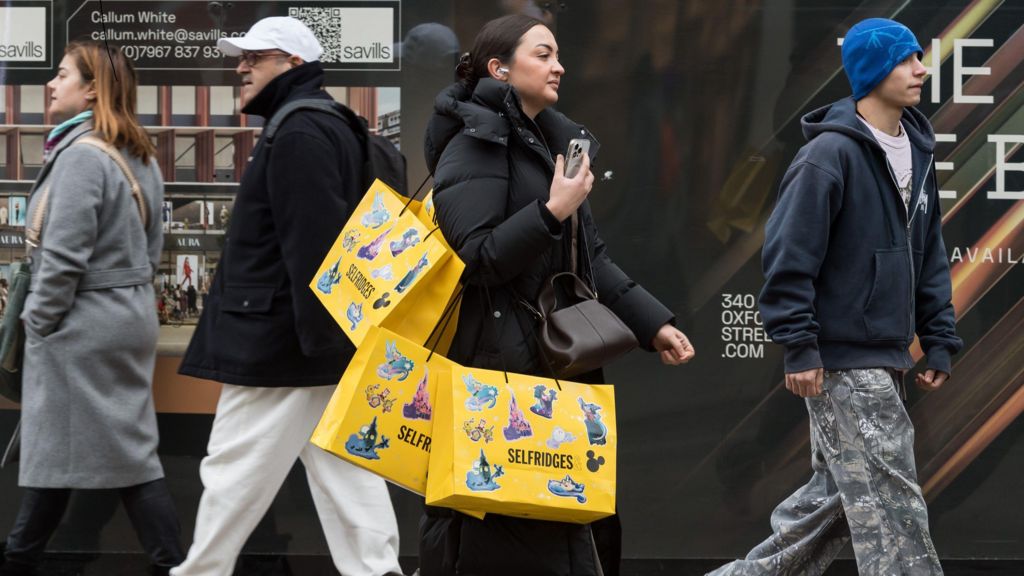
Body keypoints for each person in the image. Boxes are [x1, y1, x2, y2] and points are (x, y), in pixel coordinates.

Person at [421, 15, 695, 576]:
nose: (559, 66)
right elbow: (477, 259)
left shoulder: (549, 146)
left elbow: (588, 261)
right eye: (543, 55)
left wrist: (652, 324)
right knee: (510, 530)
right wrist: (551, 211)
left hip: (553, 370)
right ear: (500, 69)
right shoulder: (472, 149)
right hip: (501, 375)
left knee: (567, 521)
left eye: (558, 55)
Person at [708, 18, 962, 576]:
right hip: (844, 360)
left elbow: (930, 254)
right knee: (897, 512)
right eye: (905, 60)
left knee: (832, 508)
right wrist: (799, 346)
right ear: (873, 71)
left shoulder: (917, 152)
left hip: (886, 354)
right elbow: (789, 258)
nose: (921, 69)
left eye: (919, 58)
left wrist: (938, 338)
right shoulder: (829, 155)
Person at [173, 17, 402, 576]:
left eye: (256, 56)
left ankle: (200, 572)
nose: (241, 66)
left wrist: (323, 343)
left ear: (294, 64)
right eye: (241, 57)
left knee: (232, 469)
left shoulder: (298, 131)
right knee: (350, 479)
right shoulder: (326, 124)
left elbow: (314, 245)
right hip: (313, 341)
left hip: (282, 346)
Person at [0, 42, 183, 575]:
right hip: (124, 318)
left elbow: (60, 260)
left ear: (93, 89)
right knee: (111, 453)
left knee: (66, 448)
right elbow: (151, 251)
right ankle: (24, 554)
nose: (52, 85)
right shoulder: (139, 155)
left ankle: (22, 557)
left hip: (80, 326)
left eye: (62, 75)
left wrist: (38, 323)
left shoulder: (80, 156)